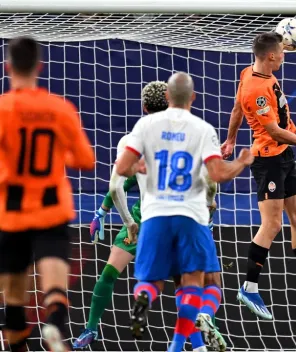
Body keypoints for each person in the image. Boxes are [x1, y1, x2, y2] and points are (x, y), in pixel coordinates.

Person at [74, 81, 226, 351]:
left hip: (143, 218)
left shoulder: (136, 137)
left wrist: (107, 213)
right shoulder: (190, 132)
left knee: (108, 275)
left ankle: (90, 329)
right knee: (188, 284)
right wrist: (209, 209)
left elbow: (120, 183)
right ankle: (196, 342)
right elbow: (210, 179)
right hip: (180, 217)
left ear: (144, 106)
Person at [116, 72, 253, 352]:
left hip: (154, 216)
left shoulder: (145, 126)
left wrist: (138, 167)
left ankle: (144, 298)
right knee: (200, 283)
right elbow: (217, 173)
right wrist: (241, 162)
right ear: (193, 97)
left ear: (167, 96)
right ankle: (178, 346)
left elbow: (121, 168)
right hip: (191, 215)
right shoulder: (203, 129)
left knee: (151, 281)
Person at [220, 32, 296, 320]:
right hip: (269, 160)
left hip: (284, 156)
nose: (285, 55)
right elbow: (273, 131)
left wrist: (231, 139)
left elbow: (236, 109)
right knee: (272, 223)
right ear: (271, 56)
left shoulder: (252, 71)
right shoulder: (256, 89)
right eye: (282, 52)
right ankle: (248, 287)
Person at [0, 36, 95, 352]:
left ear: (8, 66)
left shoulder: (3, 109)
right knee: (55, 288)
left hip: (11, 213)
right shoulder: (59, 108)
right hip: (51, 210)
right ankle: (53, 326)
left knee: (14, 300)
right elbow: (86, 160)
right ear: (39, 66)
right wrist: (58, 157)